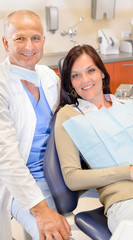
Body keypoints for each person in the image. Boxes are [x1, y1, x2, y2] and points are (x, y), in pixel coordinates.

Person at [54, 44, 133, 234]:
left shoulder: (129, 105)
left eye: (91, 70)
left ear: (102, 72)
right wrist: (128, 172)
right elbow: (72, 178)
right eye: (76, 75)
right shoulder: (68, 115)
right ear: (70, 83)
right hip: (128, 201)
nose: (85, 80)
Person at [0, 10, 71, 240]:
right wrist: (41, 211)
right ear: (5, 42)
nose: (29, 46)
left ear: (43, 41)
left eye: (36, 38)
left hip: (56, 173)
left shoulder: (48, 76)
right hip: (19, 184)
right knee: (55, 235)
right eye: (20, 38)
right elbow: (7, 157)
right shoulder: (2, 86)